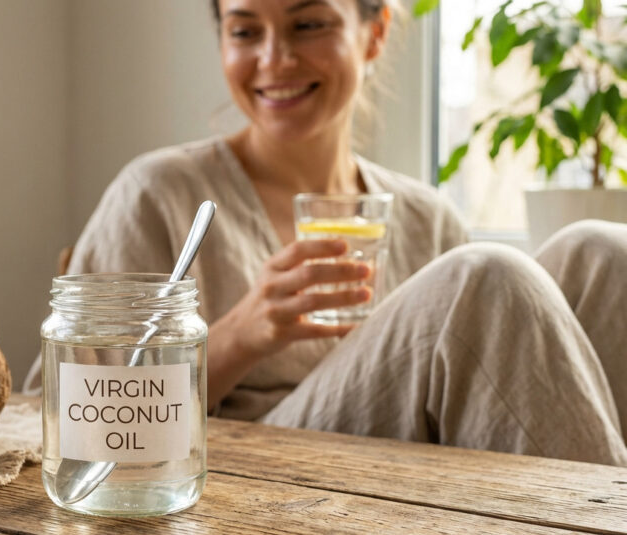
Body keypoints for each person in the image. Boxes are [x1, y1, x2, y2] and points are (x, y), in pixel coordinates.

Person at [37, 0, 627, 465]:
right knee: (485, 276)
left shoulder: (426, 216)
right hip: (259, 473)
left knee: (602, 252)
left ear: (374, 35)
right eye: (245, 31)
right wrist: (241, 334)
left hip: (422, 480)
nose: (275, 59)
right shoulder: (160, 193)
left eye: (309, 24)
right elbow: (60, 411)